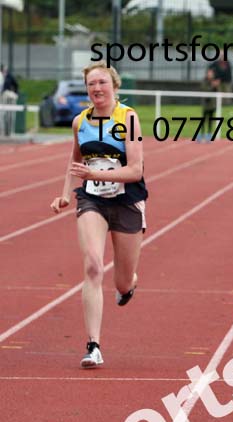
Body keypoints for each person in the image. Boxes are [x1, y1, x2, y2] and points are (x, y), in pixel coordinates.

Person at [49, 61, 148, 368]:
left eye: (102, 82)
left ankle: (128, 283)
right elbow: (74, 159)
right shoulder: (81, 121)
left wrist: (94, 171)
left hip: (127, 201)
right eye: (91, 84)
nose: (97, 89)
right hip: (92, 200)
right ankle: (93, 345)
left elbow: (135, 170)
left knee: (120, 282)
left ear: (114, 86)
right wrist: (66, 192)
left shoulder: (128, 119)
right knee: (93, 265)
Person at [200, 67, 219, 141]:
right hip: (205, 103)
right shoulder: (204, 81)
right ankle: (202, 134)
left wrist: (216, 86)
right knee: (203, 119)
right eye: (209, 73)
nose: (210, 75)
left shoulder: (214, 81)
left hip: (212, 104)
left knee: (211, 120)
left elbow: (217, 91)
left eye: (211, 73)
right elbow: (204, 89)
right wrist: (212, 86)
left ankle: (209, 134)